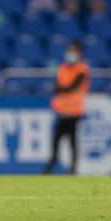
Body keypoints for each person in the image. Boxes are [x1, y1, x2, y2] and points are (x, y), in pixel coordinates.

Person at [43, 41, 90, 175]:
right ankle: (50, 167)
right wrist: (60, 89)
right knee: (56, 141)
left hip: (74, 111)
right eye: (70, 50)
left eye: (74, 51)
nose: (71, 53)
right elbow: (58, 86)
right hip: (61, 110)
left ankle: (73, 169)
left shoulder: (82, 69)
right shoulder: (63, 67)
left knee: (72, 141)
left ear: (79, 53)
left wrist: (61, 89)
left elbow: (71, 86)